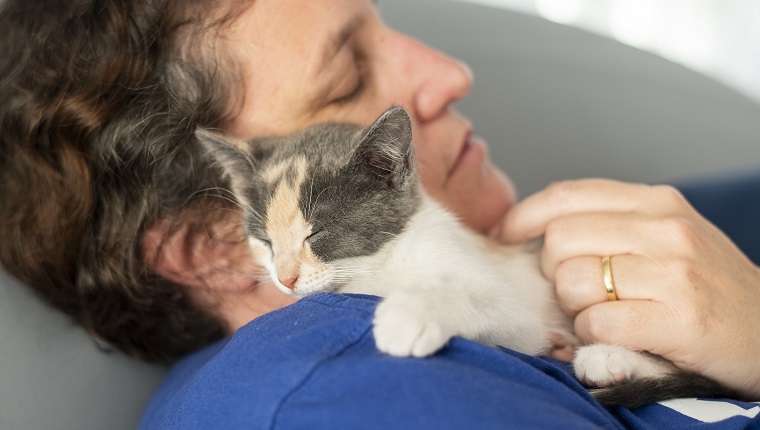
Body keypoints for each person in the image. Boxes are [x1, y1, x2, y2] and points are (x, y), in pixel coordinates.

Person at [1, 0, 758, 427]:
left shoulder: (622, 227)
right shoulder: (352, 397)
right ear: (212, 246)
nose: (449, 74)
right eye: (346, 79)